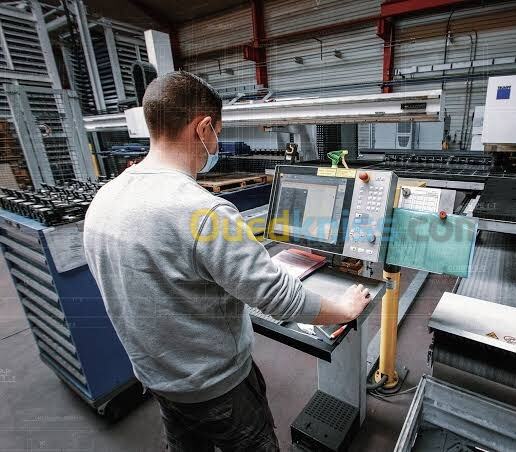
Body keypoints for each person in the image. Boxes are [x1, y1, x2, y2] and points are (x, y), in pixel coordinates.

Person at [83, 71, 372, 452]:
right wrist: (343, 309)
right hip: (218, 389)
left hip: (158, 381)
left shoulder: (104, 197)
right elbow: (278, 297)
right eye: (216, 131)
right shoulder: (206, 212)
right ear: (202, 129)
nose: (215, 142)